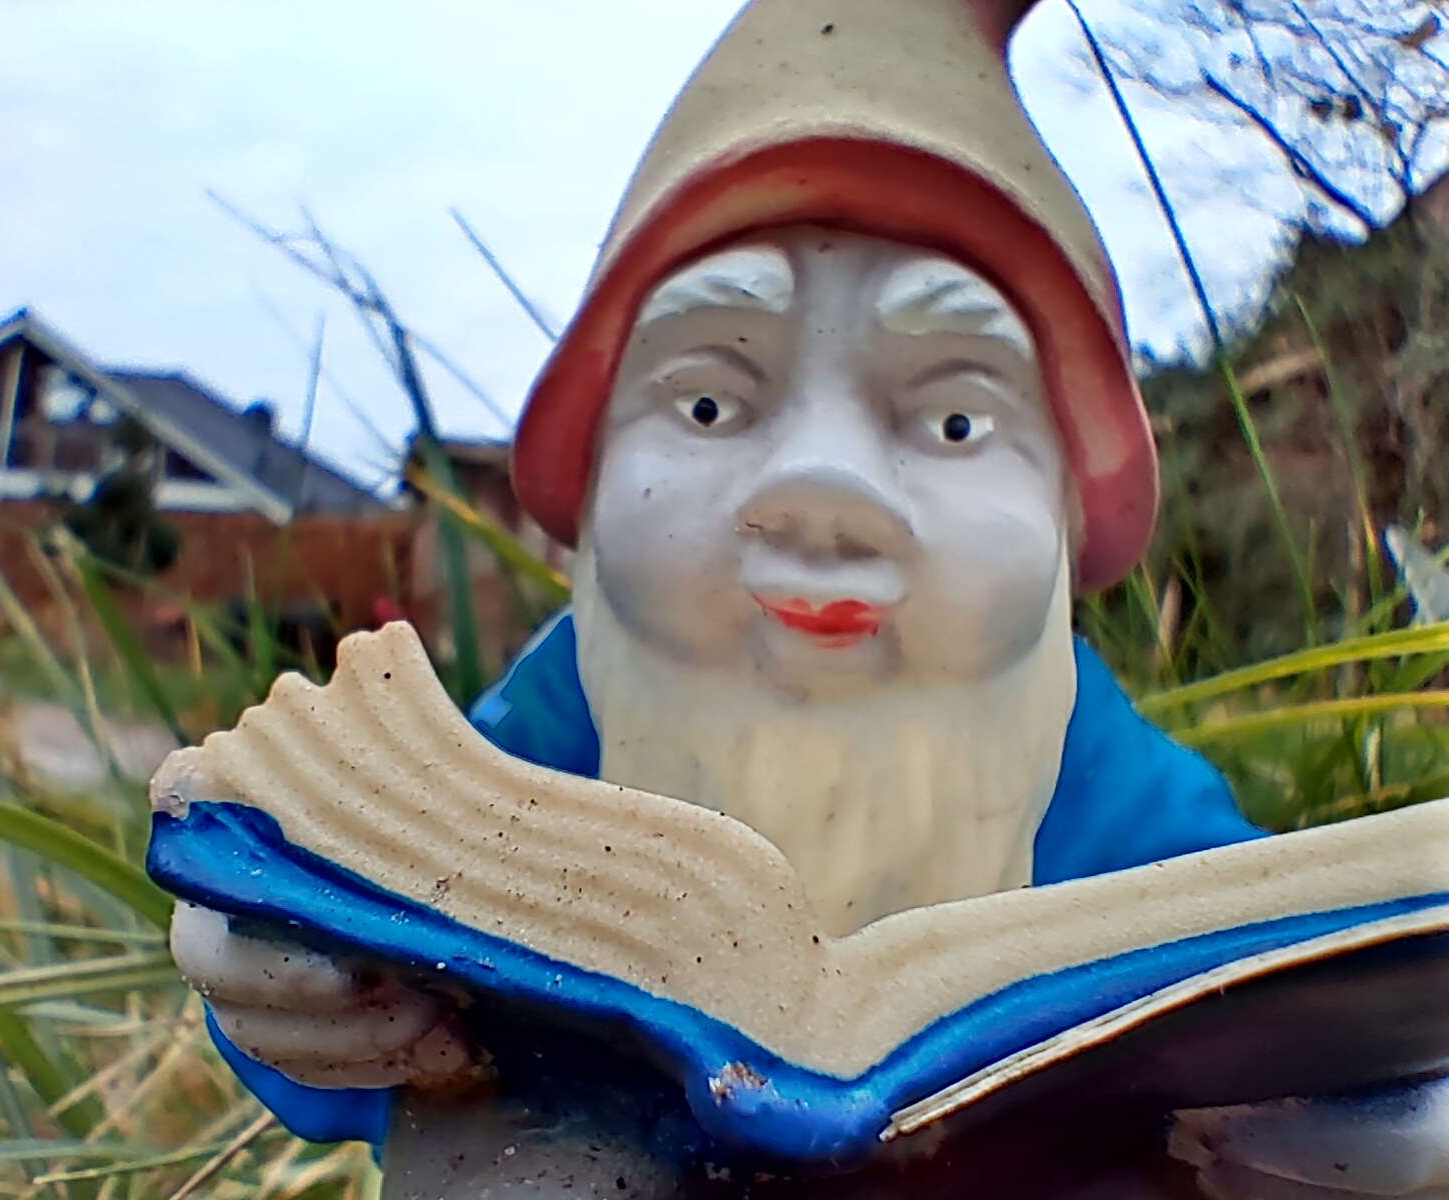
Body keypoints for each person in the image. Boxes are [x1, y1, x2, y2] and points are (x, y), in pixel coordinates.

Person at [169, 2, 1449, 1195]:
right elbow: (354, 938)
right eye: (707, 402)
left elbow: (1283, 994)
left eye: (955, 419)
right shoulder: (540, 741)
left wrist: (1356, 1109)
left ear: (1064, 515)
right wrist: (286, 964)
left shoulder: (1105, 785)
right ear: (598, 483)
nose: (821, 490)